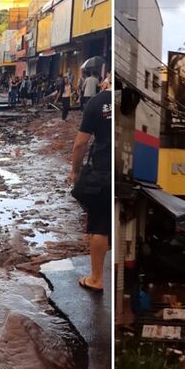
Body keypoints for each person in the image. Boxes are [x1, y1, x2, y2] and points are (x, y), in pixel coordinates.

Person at [69, 88, 111, 293]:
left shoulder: (97, 102)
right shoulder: (134, 98)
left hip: (103, 172)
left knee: (100, 226)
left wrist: (75, 171)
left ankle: (96, 278)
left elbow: (80, 143)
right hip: (132, 169)